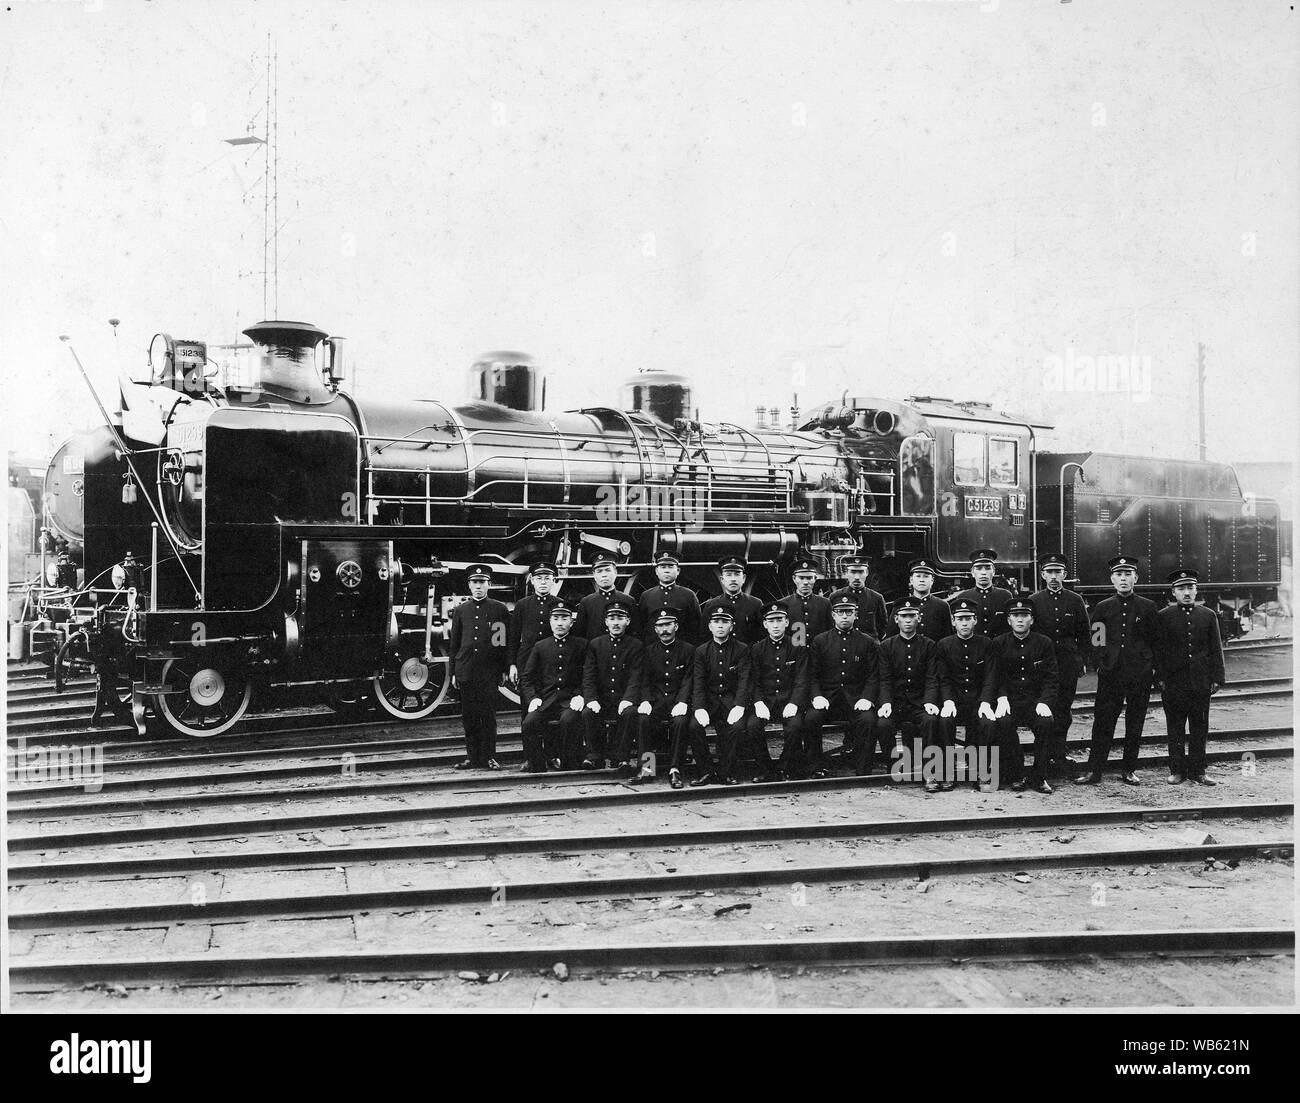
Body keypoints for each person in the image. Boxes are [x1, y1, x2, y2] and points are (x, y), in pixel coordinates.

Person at [1075, 554, 1160, 786]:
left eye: (1128, 574)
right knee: (1102, 723)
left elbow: (1156, 641)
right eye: (1119, 575)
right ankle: (1094, 771)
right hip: (1110, 674)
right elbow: (1097, 640)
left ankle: (1129, 769)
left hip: (1139, 674)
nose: (1123, 579)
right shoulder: (1103, 608)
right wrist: (1101, 664)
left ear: (1136, 578)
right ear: (1112, 579)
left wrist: (1150, 667)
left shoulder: (1148, 607)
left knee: (1135, 723)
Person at [1154, 567, 1225, 786]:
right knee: (1175, 727)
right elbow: (1159, 650)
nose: (1186, 592)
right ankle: (1176, 770)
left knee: (1199, 727)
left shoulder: (1208, 615)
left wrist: (1217, 678)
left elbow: (1216, 648)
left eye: (1190, 588)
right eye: (1181, 588)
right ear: (1173, 592)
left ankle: (1198, 771)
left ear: (1196, 590)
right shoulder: (1164, 617)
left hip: (1200, 682)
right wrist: (1160, 678)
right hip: (1174, 683)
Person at [1028, 553, 1090, 778]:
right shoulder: (1034, 601)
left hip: (1066, 664)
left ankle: (1059, 755)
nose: (1054, 577)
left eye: (1058, 572)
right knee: (1044, 710)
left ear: (1065, 574)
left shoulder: (1075, 600)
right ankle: (1043, 756)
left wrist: (1082, 660)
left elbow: (1084, 633)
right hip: (1042, 666)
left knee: (1063, 711)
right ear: (1042, 574)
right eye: (1049, 572)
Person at [989, 597, 1059, 794]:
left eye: (1025, 615)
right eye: (1015, 616)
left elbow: (1051, 677)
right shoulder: (998, 643)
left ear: (1032, 620)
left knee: (1046, 723)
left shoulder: (1044, 643)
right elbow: (996, 675)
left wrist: (1045, 701)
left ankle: (1039, 776)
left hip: (1034, 702)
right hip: (1009, 701)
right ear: (1009, 620)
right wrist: (1001, 697)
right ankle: (1016, 773)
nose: (1020, 620)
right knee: (1003, 723)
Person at [806, 597, 881, 777]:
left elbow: (873, 676)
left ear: (856, 615)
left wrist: (867, 698)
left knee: (869, 720)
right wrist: (817, 696)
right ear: (833, 615)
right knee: (810, 719)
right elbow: (812, 674)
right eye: (840, 612)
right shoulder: (820, 641)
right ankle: (815, 767)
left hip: (856, 700)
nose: (845, 617)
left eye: (849, 612)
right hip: (828, 700)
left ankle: (863, 769)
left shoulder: (867, 642)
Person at [448, 563, 510, 770]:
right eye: (474, 583)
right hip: (465, 671)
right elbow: (454, 644)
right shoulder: (460, 610)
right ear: (469, 586)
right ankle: (472, 757)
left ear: (489, 584)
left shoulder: (499, 609)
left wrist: (502, 669)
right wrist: (453, 672)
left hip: (488, 672)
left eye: (482, 583)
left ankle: (490, 756)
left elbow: (501, 643)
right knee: (469, 717)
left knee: (488, 716)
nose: (478, 587)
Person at [876, 597, 941, 785]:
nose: (907, 620)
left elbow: (931, 677)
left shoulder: (929, 645)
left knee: (930, 721)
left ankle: (930, 773)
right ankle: (894, 768)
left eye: (911, 615)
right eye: (903, 616)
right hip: (896, 703)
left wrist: (929, 701)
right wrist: (886, 702)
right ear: (896, 619)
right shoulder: (887, 646)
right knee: (883, 724)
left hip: (919, 702)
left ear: (918, 618)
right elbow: (885, 678)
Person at [935, 599, 998, 790]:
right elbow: (943, 678)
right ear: (953, 622)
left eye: (968, 618)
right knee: (944, 722)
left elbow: (990, 677)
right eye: (960, 619)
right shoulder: (944, 645)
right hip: (955, 702)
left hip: (979, 701)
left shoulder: (986, 644)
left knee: (988, 723)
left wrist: (986, 702)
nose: (964, 623)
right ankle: (946, 772)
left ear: (975, 620)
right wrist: (947, 701)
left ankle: (983, 772)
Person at [519, 602, 588, 772]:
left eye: (564, 619)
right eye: (555, 619)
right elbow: (527, 677)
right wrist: (533, 698)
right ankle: (537, 766)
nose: (559, 623)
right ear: (550, 622)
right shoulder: (540, 646)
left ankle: (568, 765)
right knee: (529, 723)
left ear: (571, 623)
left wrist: (580, 695)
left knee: (568, 721)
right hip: (546, 701)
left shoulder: (582, 645)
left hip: (569, 701)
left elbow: (589, 675)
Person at [687, 609, 752, 786]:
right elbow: (698, 681)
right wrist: (699, 707)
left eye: (724, 622)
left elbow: (744, 680)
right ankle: (705, 771)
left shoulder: (742, 649)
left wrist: (739, 705)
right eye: (716, 622)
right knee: (693, 726)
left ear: (731, 626)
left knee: (737, 727)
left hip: (731, 701)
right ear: (710, 626)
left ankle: (726, 772)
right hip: (709, 702)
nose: (720, 626)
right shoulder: (701, 651)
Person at [746, 603, 809, 782]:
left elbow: (802, 679)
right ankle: (765, 768)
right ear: (765, 624)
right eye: (771, 621)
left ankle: (783, 767)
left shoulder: (798, 645)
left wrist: (794, 702)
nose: (775, 625)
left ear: (787, 622)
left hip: (789, 701)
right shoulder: (757, 649)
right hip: (766, 703)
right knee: (752, 726)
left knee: (796, 726)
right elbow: (753, 680)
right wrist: (758, 702)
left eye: (779, 620)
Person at [581, 606, 644, 772]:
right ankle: (594, 757)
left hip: (624, 698)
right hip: (602, 699)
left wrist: (628, 699)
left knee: (630, 712)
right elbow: (589, 676)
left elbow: (635, 677)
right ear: (606, 622)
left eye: (620, 619)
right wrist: (591, 699)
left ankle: (621, 758)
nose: (616, 623)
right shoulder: (595, 645)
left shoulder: (636, 645)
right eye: (612, 619)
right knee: (588, 712)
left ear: (627, 621)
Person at [637, 609, 695, 788]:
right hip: (656, 701)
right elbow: (644, 679)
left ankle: (675, 769)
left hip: (678, 702)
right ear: (655, 629)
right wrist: (646, 700)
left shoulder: (688, 650)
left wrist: (683, 701)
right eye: (660, 626)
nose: (664, 630)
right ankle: (647, 768)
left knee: (680, 722)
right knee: (643, 720)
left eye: (668, 625)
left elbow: (689, 679)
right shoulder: (648, 651)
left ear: (676, 626)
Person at [508, 562, 561, 688]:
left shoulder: (559, 604)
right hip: (526, 661)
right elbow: (513, 637)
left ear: (554, 581)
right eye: (539, 578)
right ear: (532, 580)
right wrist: (512, 664)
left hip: (551, 661)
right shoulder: (522, 605)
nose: (543, 582)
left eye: (547, 578)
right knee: (527, 701)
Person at [638, 552, 702, 647]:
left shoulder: (688, 595)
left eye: (671, 567)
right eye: (663, 567)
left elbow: (696, 627)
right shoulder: (646, 596)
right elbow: (641, 627)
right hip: (653, 654)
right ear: (656, 571)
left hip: (681, 653)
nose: (667, 571)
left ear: (678, 571)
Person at [949, 549, 1013, 637]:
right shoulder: (963, 597)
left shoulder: (1005, 596)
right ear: (972, 572)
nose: (983, 573)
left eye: (987, 568)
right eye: (978, 568)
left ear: (993, 571)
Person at [700, 555, 763, 644]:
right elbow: (704, 636)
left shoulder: (755, 604)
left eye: (737, 574)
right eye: (728, 575)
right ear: (722, 579)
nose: (733, 579)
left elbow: (763, 635)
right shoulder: (711, 604)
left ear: (744, 578)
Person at [573, 556, 639, 639]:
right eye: (599, 571)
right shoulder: (586, 602)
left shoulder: (629, 601)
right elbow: (580, 635)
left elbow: (635, 632)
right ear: (594, 575)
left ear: (615, 572)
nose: (604, 575)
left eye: (608, 570)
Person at [888, 557, 951, 643]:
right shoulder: (900, 605)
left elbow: (947, 639)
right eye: (918, 576)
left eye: (926, 576)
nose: (922, 580)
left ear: (932, 580)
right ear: (911, 580)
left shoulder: (942, 606)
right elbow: (890, 638)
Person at [828, 555, 888, 639]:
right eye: (853, 572)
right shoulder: (835, 596)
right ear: (846, 573)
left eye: (860, 572)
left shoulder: (876, 598)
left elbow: (882, 626)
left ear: (867, 573)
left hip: (869, 647)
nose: (856, 577)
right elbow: (830, 624)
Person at [780, 555, 831, 647]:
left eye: (809, 578)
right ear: (794, 579)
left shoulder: (825, 604)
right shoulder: (784, 604)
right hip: (795, 655)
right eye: (801, 578)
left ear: (815, 579)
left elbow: (830, 632)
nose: (805, 582)